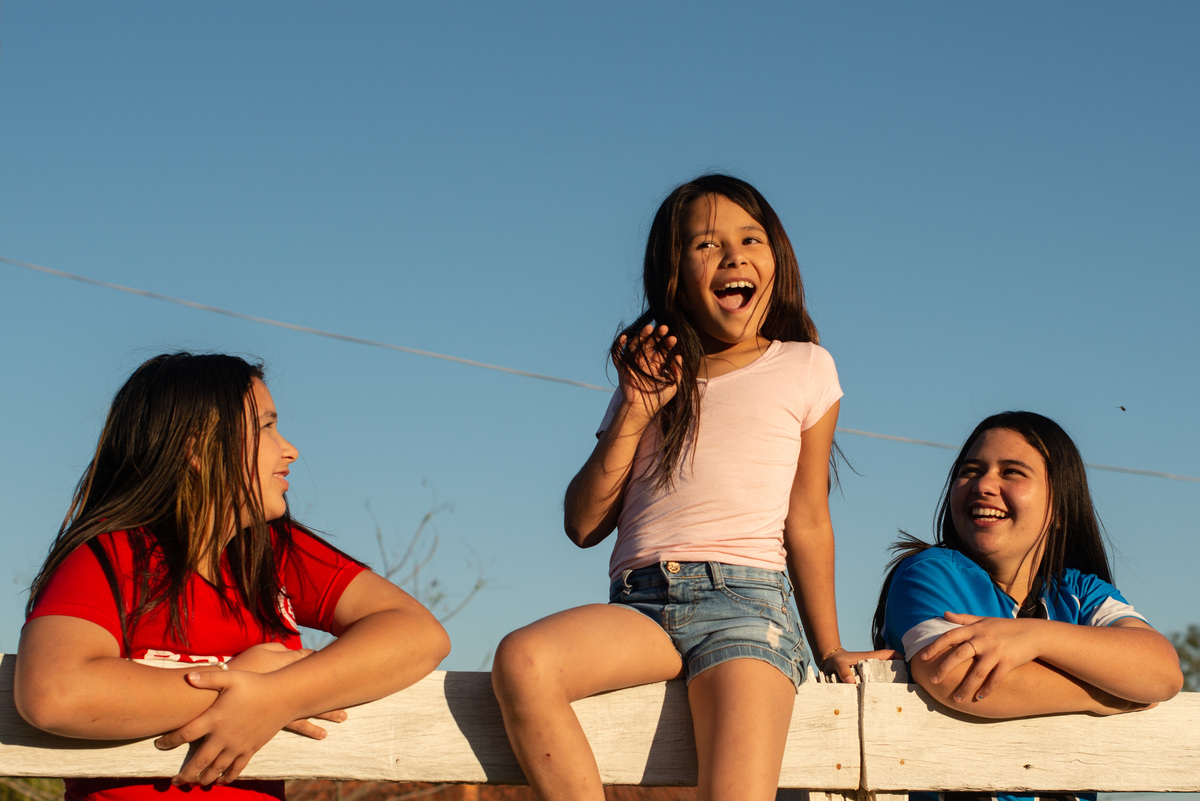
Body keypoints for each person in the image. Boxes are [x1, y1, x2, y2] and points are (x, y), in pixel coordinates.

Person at [491, 174, 894, 801]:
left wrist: (831, 646)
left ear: (776, 258)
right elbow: (582, 524)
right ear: (673, 273)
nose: (734, 256)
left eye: (750, 239)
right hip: (641, 604)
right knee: (523, 660)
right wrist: (634, 410)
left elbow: (808, 518)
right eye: (706, 245)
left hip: (747, 607)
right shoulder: (650, 379)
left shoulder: (804, 366)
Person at [15, 353, 451, 801]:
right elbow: (55, 692)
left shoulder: (272, 552)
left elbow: (418, 634)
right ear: (197, 446)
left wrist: (278, 694)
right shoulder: (112, 555)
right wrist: (235, 680)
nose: (290, 449)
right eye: (266, 426)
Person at [872, 411, 1183, 801]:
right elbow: (955, 678)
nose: (984, 484)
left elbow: (1162, 671)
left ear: (1059, 505)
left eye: (1012, 472)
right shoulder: (929, 573)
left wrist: (1034, 638)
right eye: (970, 470)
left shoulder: (1080, 592)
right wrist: (1112, 694)